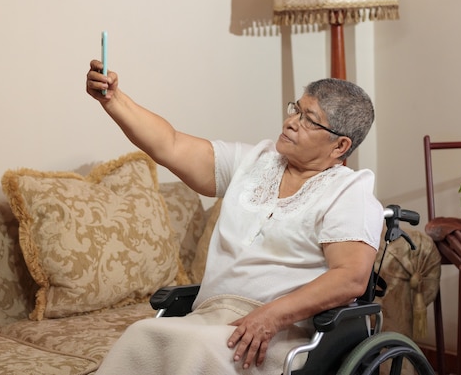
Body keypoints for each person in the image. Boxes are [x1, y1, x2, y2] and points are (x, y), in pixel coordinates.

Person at [85, 60, 384, 374]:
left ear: (340, 145)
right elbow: (170, 144)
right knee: (141, 334)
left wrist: (273, 316)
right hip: (211, 318)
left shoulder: (349, 192)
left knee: (196, 347)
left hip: (282, 333)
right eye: (296, 109)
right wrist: (114, 100)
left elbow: (350, 277)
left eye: (309, 120)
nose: (291, 122)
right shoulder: (254, 161)